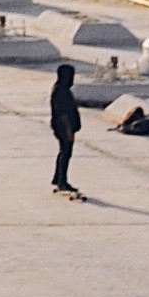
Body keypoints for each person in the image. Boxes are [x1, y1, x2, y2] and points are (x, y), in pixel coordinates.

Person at [47, 61, 83, 198]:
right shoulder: (61, 91)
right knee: (66, 154)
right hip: (63, 127)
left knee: (63, 152)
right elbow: (63, 113)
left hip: (63, 126)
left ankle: (58, 178)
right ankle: (62, 180)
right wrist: (69, 131)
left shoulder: (60, 88)